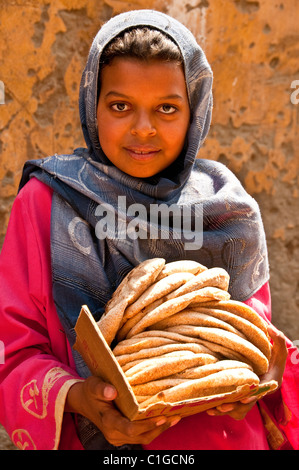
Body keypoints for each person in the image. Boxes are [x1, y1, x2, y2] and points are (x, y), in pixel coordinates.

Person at [0, 9, 298, 451]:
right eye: (120, 106)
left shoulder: (227, 209)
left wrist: (261, 374)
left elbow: (254, 334)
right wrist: (83, 397)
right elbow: (14, 352)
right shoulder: (48, 202)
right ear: (92, 105)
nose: (143, 128)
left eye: (167, 108)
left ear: (195, 110)